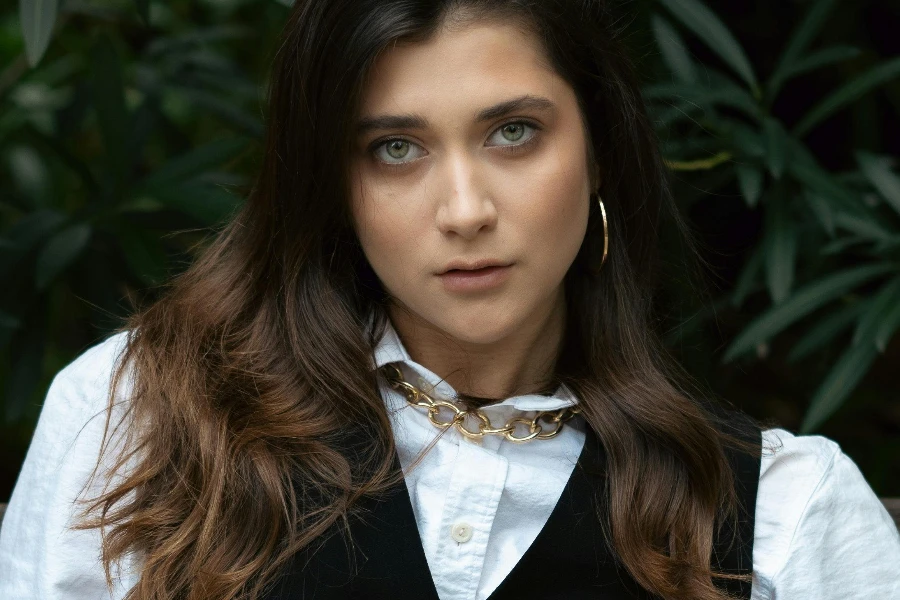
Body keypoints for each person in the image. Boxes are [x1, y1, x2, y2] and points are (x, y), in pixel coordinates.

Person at [1, 0, 899, 598]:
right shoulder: (142, 415)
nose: (465, 211)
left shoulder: (777, 513)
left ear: (600, 150)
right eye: (396, 147)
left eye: (514, 133)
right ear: (329, 183)